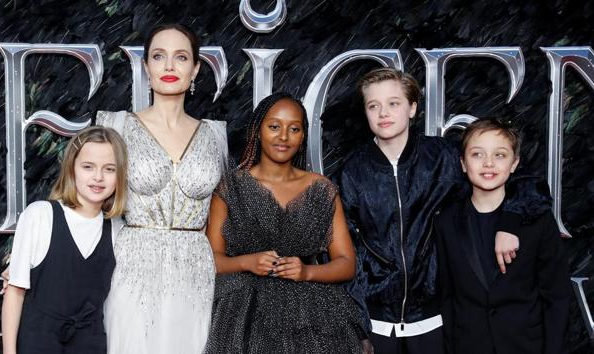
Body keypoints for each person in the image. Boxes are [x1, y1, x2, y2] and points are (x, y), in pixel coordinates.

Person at [340, 68, 552, 354]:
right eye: (373, 105)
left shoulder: (444, 157)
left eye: (393, 103)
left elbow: (529, 184)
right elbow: (348, 250)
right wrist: (358, 326)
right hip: (377, 323)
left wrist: (510, 221)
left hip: (433, 320)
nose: (383, 113)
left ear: (412, 108)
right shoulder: (352, 171)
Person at [96, 23, 227, 354]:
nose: (169, 66)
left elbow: (223, 218)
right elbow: (84, 202)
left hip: (196, 274)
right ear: (146, 67)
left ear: (196, 68)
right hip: (131, 269)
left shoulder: (215, 135)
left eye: (181, 57)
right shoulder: (115, 125)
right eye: (159, 56)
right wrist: (38, 255)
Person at [204, 92, 368, 354]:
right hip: (242, 320)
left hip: (312, 317)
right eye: (274, 127)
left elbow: (347, 264)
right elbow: (210, 260)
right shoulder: (230, 187)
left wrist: (306, 272)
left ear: (302, 137)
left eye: (294, 129)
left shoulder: (321, 189)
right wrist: (247, 262)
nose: (283, 137)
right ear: (258, 131)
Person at [435, 118, 571, 354]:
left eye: (500, 155)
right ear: (463, 163)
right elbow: (446, 298)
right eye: (477, 154)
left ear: (514, 163)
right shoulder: (445, 222)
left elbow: (556, 296)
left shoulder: (537, 220)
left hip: (526, 346)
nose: (488, 163)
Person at [1, 126, 127, 354]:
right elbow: (15, 291)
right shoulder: (40, 215)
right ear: (72, 169)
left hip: (90, 344)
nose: (98, 177)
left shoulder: (118, 231)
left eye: (109, 169)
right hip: (38, 341)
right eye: (88, 167)